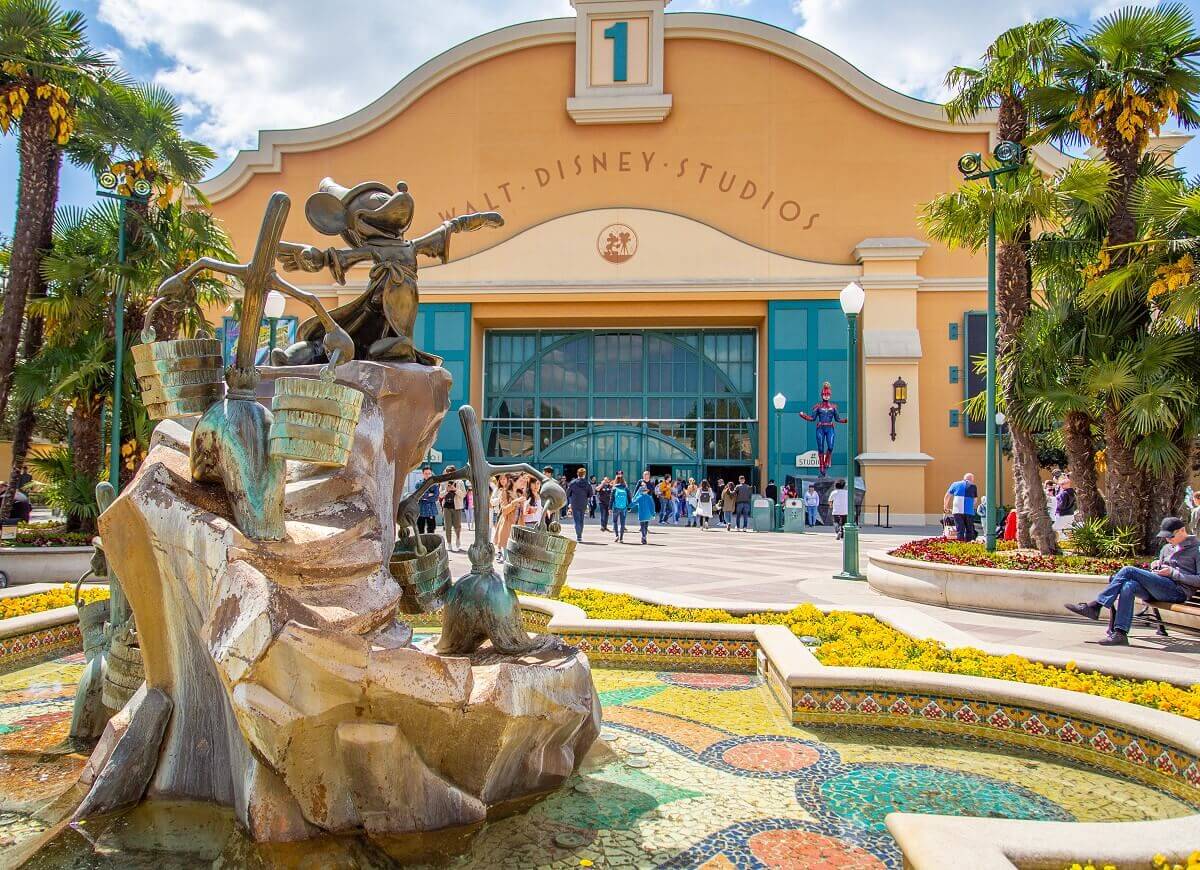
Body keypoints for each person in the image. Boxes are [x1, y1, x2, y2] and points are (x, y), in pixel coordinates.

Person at [1066, 517, 1198, 646]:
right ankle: (1120, 634)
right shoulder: (1166, 548)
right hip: (1158, 588)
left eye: (1171, 536)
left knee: (1129, 570)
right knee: (1129, 586)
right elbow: (1160, 571)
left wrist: (1173, 573)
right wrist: (1156, 566)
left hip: (1178, 592)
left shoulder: (1196, 549)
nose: (1168, 539)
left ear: (1182, 530)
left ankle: (1095, 606)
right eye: (1165, 536)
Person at [944, 472, 978, 543]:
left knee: (960, 529)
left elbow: (947, 496)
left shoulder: (955, 484)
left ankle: (960, 544)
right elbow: (975, 500)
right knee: (969, 529)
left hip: (957, 510)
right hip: (969, 511)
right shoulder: (973, 486)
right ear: (971, 479)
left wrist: (946, 506)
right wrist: (971, 506)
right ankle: (969, 545)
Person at [439, 466, 467, 552]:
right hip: (447, 506)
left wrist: (455, 489)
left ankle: (458, 538)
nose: (449, 475)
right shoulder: (443, 482)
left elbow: (464, 494)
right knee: (447, 526)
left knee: (457, 526)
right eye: (447, 473)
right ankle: (449, 543)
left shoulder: (460, 482)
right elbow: (440, 495)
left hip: (457, 507)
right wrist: (446, 490)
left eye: (450, 473)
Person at [493, 475, 519, 562]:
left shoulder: (519, 492)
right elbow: (492, 502)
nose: (503, 481)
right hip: (500, 515)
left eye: (504, 479)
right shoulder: (500, 491)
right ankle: (499, 552)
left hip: (516, 523)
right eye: (501, 479)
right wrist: (499, 499)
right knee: (502, 538)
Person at [566, 467, 594, 543]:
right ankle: (580, 535)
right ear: (584, 474)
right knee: (581, 520)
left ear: (577, 474)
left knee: (576, 520)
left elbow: (568, 493)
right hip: (583, 503)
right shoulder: (587, 483)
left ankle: (578, 536)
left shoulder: (573, 483)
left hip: (575, 503)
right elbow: (590, 494)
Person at [416, 466, 439, 535]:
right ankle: (421, 544)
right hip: (421, 510)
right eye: (426, 473)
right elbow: (418, 496)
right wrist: (429, 495)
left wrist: (424, 496)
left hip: (431, 510)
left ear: (431, 474)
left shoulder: (435, 485)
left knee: (431, 529)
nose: (428, 475)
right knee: (420, 529)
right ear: (423, 474)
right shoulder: (418, 484)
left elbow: (436, 497)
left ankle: (430, 544)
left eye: (429, 473)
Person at [611, 471, 632, 542]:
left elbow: (612, 499)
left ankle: (616, 535)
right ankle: (621, 538)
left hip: (616, 507)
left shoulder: (614, 488)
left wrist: (610, 508)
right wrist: (629, 507)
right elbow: (629, 498)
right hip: (624, 507)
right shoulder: (625, 488)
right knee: (623, 523)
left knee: (615, 521)